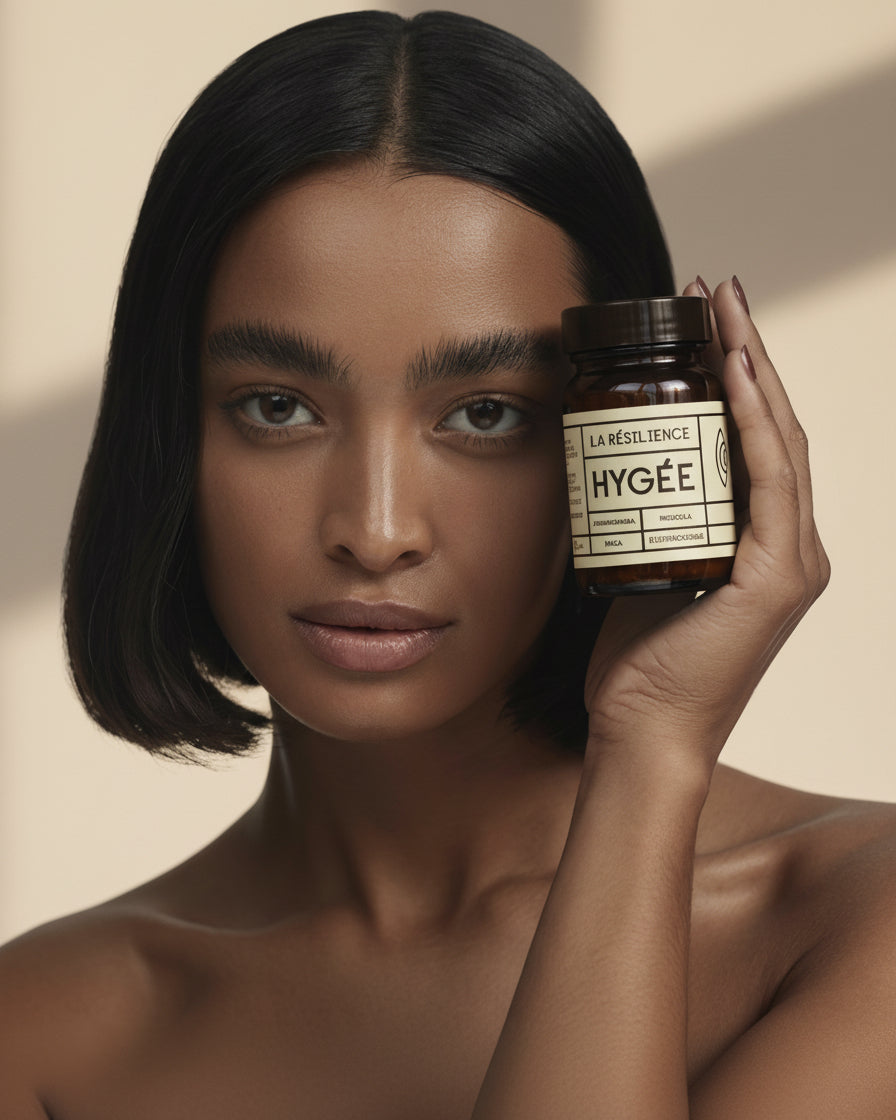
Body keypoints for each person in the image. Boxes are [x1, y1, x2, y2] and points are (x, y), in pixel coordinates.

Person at [1, 10, 893, 1118]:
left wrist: (651, 748)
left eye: (483, 414)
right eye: (277, 407)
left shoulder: (859, 919)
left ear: (612, 432)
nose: (375, 531)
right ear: (170, 435)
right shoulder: (39, 1030)